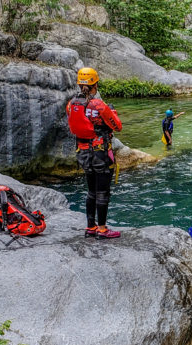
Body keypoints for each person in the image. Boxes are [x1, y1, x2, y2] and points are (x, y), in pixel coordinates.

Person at [66, 67, 122, 239]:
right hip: (101, 153)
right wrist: (112, 112)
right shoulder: (98, 105)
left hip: (82, 153)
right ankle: (103, 229)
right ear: (95, 84)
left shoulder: (71, 104)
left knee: (91, 191)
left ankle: (91, 226)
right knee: (103, 192)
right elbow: (117, 126)